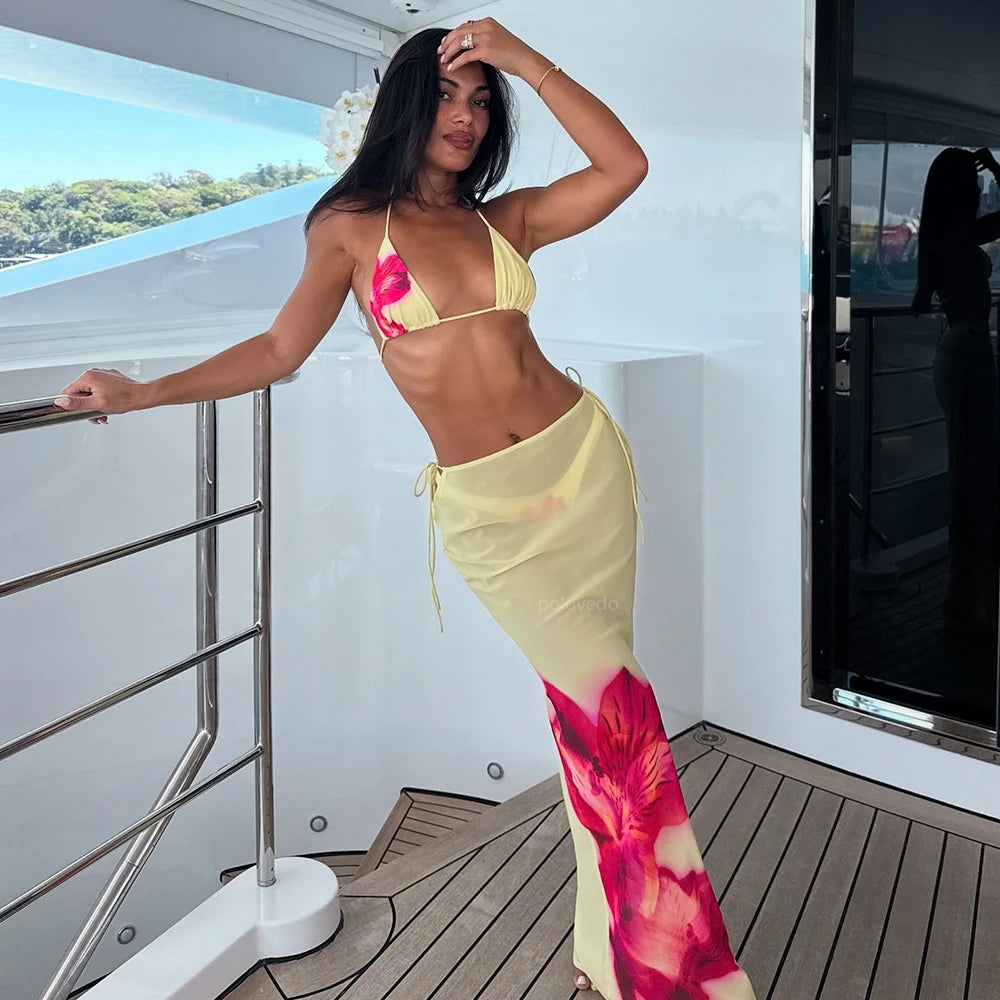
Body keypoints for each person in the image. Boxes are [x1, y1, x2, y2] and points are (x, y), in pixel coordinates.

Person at [53, 20, 756, 1000]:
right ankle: (680, 969)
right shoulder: (349, 227)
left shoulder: (501, 221)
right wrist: (142, 390)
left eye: (481, 100)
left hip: (584, 475)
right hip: (495, 517)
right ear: (404, 104)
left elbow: (623, 163)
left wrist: (524, 58)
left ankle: (620, 949)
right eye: (447, 95)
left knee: (596, 725)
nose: (465, 116)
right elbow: (276, 352)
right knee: (616, 722)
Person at [913, 147, 1000, 639]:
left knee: (968, 473)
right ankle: (968, 601)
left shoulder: (940, 236)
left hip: (957, 351)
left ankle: (965, 596)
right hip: (969, 354)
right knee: (975, 475)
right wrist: (997, 168)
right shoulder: (961, 233)